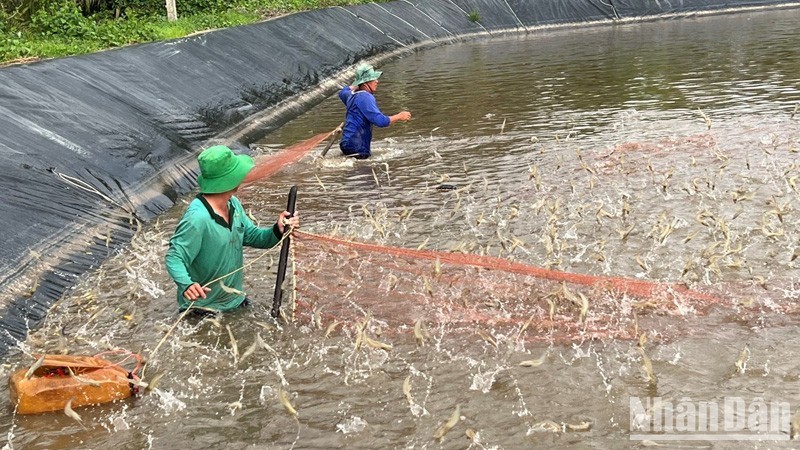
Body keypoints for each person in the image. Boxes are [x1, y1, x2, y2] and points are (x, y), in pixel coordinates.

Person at [165, 145, 300, 312]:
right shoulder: (197, 218)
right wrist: (187, 285)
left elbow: (252, 236)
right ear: (229, 179)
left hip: (235, 300)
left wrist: (278, 229)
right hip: (202, 308)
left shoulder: (233, 204)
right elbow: (175, 257)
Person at [338, 64, 412, 159]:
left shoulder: (351, 95)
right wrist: (400, 116)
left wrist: (358, 84)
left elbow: (343, 92)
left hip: (346, 144)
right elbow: (380, 121)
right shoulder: (365, 98)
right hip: (358, 147)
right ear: (365, 83)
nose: (377, 81)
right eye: (373, 79)